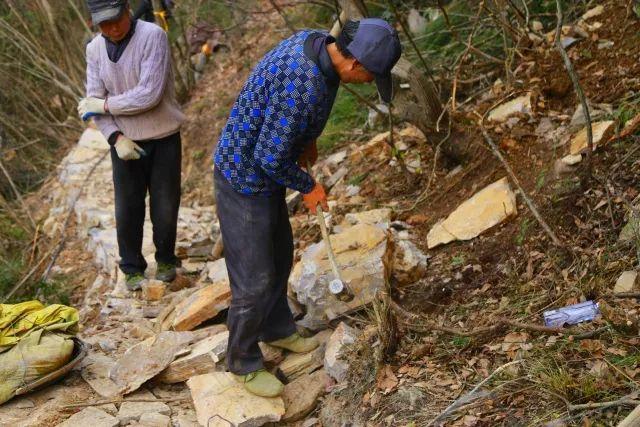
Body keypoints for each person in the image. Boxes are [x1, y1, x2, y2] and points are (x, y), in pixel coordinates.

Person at [213, 18, 401, 397]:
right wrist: (309, 186)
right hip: (243, 178)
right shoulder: (304, 83)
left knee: (280, 256)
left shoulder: (319, 46)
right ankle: (242, 360)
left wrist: (304, 140)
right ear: (355, 64)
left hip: (264, 175)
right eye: (371, 77)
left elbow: (284, 126)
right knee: (254, 277)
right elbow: (269, 156)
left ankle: (277, 329)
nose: (368, 83)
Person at [78, 0, 185, 291]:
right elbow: (92, 103)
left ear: (127, 10)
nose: (111, 28)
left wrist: (106, 104)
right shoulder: (94, 49)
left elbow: (148, 94)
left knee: (165, 203)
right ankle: (132, 267)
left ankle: (165, 259)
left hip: (163, 136)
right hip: (125, 140)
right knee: (127, 207)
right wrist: (115, 137)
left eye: (115, 19)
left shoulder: (153, 36)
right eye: (103, 23)